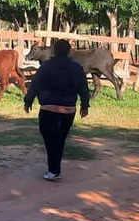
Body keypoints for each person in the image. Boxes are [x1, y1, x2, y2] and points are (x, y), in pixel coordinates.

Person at [24, 39, 90, 181]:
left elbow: (35, 85)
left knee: (50, 139)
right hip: (68, 110)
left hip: (48, 109)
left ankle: (53, 169)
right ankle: (54, 169)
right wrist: (85, 105)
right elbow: (83, 88)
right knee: (60, 139)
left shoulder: (46, 67)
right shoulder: (77, 68)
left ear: (54, 51)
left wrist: (28, 100)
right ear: (69, 51)